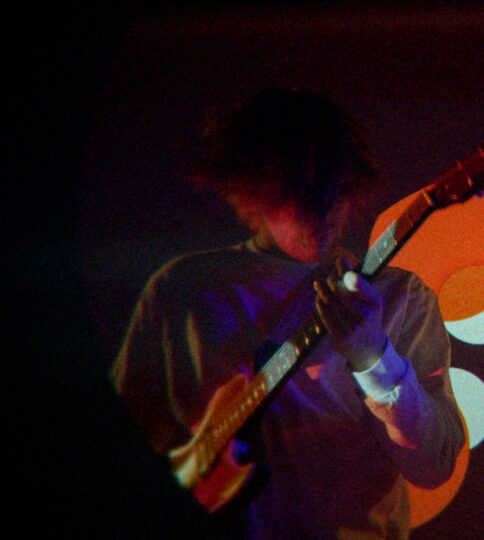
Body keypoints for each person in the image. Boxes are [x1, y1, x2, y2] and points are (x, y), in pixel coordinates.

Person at [111, 88, 465, 539]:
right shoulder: (181, 290)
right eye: (298, 191)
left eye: (334, 190)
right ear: (252, 193)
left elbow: (435, 465)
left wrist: (375, 357)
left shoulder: (401, 298)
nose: (321, 212)